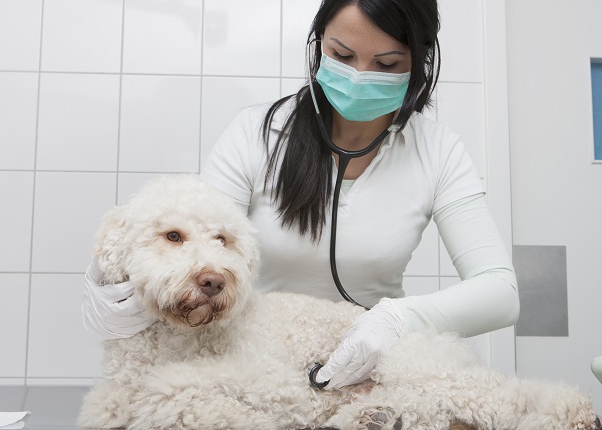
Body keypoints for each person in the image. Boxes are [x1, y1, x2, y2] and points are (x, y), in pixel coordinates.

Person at [82, 0, 519, 390]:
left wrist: (396, 319)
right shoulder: (256, 135)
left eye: (386, 64)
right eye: (343, 56)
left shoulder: (438, 151)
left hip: (375, 364)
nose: (359, 77)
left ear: (419, 63)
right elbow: (199, 251)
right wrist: (122, 294)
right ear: (318, 46)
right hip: (251, 362)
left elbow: (500, 292)